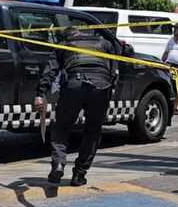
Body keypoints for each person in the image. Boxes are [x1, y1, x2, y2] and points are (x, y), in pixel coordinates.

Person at [34, 24, 124, 187]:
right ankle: (79, 174)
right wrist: (110, 90)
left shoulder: (64, 44)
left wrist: (40, 94)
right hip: (101, 87)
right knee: (93, 131)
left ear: (66, 36)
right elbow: (116, 66)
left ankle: (59, 163)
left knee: (61, 127)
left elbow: (50, 71)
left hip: (74, 85)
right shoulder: (103, 43)